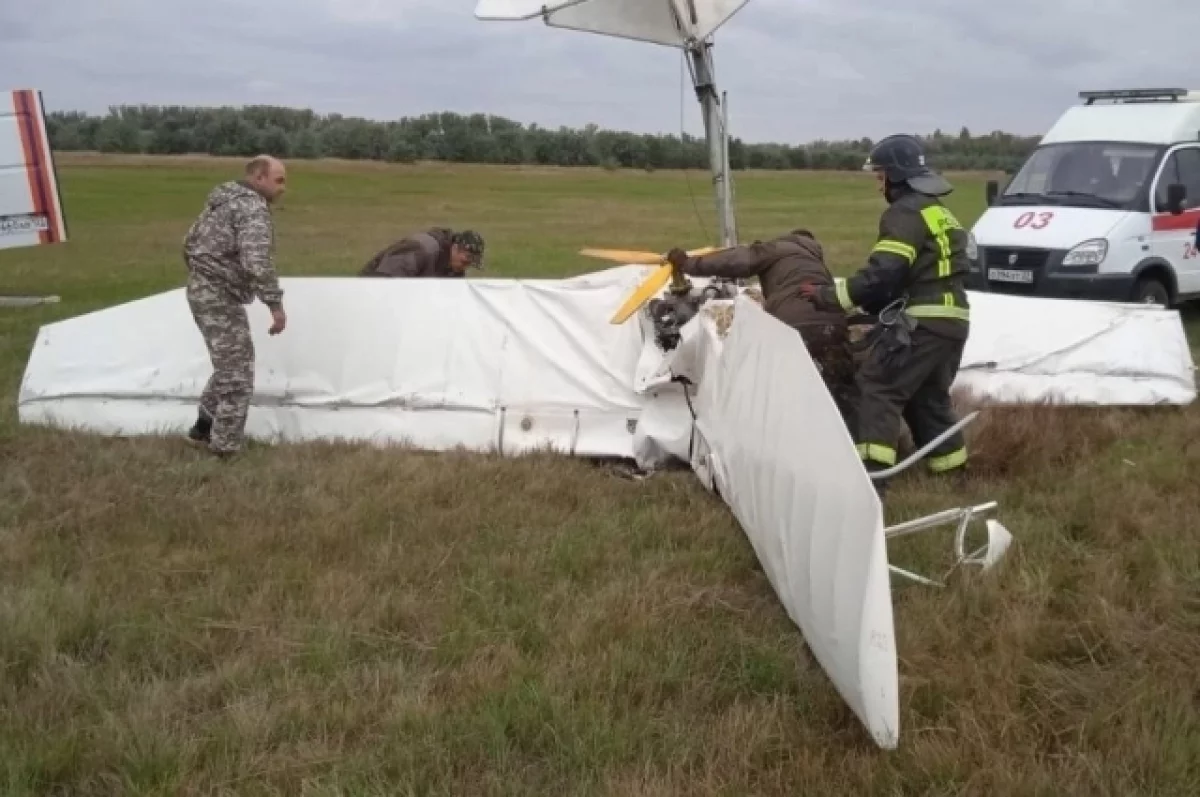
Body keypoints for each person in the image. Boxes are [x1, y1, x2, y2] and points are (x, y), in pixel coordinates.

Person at [801, 134, 971, 493]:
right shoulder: (940, 212)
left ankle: (871, 481)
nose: (878, 186)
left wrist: (829, 296)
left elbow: (883, 275)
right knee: (928, 398)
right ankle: (953, 476)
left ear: (896, 176)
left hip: (923, 322)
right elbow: (909, 277)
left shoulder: (904, 213)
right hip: (953, 321)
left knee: (877, 387)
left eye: (880, 177)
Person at [665, 229, 858, 428]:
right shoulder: (815, 262)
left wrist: (688, 264)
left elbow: (736, 261)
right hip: (835, 324)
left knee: (788, 391)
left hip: (794, 325)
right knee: (838, 390)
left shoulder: (777, 248)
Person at [181, 154, 288, 458]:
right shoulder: (252, 208)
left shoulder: (221, 202)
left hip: (202, 289)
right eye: (278, 180)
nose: (283, 188)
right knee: (238, 372)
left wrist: (203, 272)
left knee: (230, 364)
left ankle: (203, 428)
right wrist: (274, 304)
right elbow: (257, 261)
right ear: (259, 179)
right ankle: (225, 448)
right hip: (217, 294)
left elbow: (188, 243)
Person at [359, 227, 485, 277]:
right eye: (465, 260)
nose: (466, 266)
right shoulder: (421, 249)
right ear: (455, 247)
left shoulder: (454, 269)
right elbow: (384, 279)